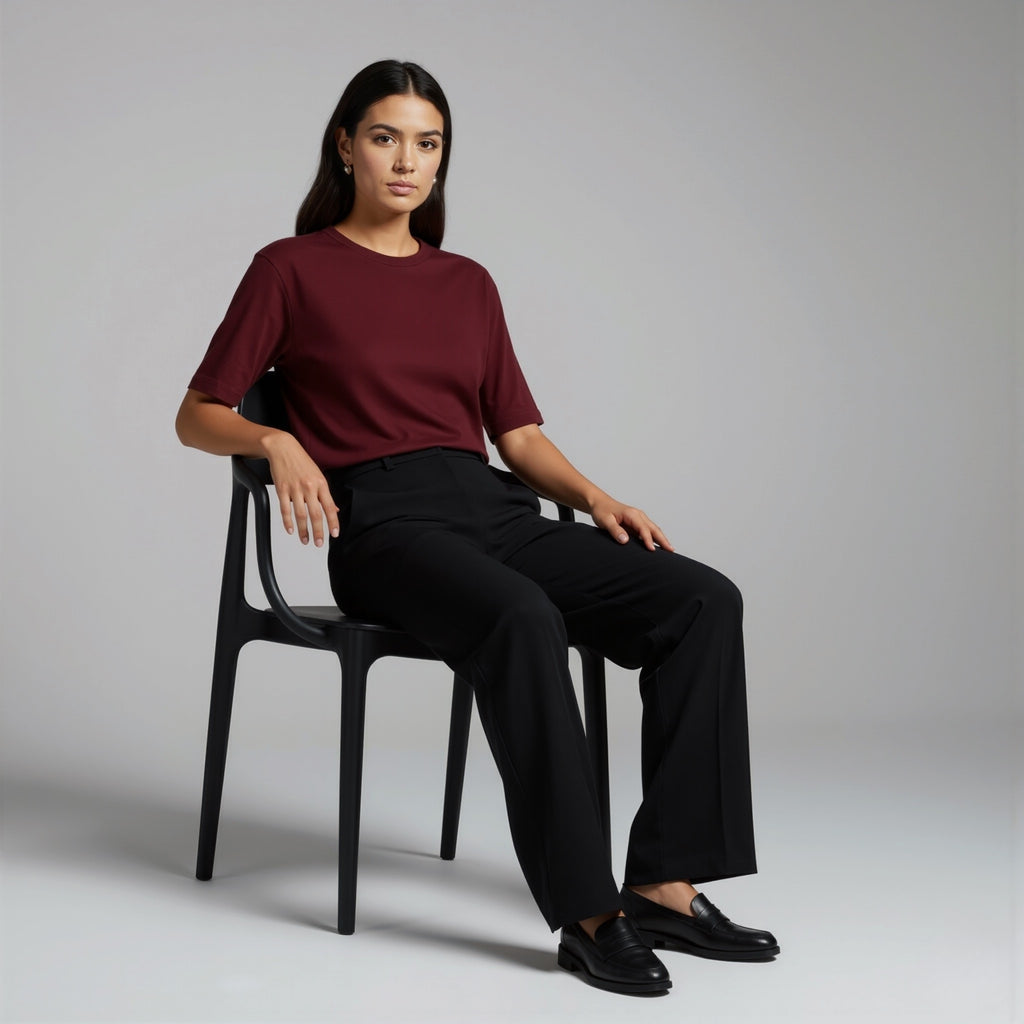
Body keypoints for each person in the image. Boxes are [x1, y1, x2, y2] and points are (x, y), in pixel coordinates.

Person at [175, 59, 779, 997]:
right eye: (385, 138)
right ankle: (588, 912)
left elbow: (519, 435)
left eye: (428, 143)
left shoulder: (467, 283)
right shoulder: (289, 269)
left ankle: (664, 881)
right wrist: (273, 439)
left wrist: (594, 497)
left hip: (491, 507)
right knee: (523, 617)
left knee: (701, 599)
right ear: (345, 145)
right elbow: (195, 413)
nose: (407, 162)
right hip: (380, 527)